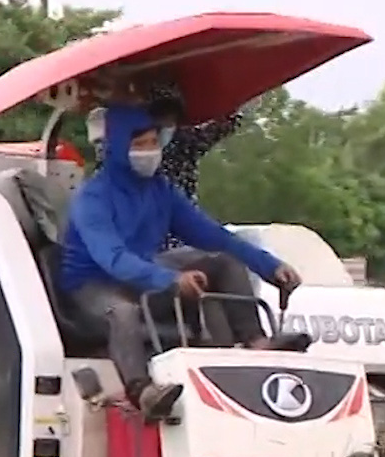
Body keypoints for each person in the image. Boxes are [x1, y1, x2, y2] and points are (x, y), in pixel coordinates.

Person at [59, 104, 309, 419]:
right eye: (139, 145)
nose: (149, 152)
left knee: (219, 261)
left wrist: (269, 266)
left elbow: (213, 235)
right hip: (90, 284)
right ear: (118, 148)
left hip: (139, 273)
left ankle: (256, 342)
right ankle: (143, 392)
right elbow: (113, 259)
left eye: (153, 143)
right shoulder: (92, 198)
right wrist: (169, 280)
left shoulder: (161, 190)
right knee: (123, 312)